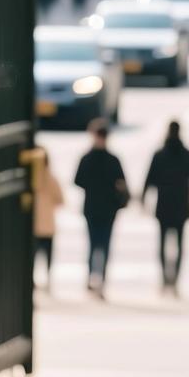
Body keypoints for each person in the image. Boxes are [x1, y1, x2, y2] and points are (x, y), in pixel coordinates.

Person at [74, 119, 128, 299]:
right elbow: (122, 182)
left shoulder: (87, 158)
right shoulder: (112, 160)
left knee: (95, 244)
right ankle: (98, 279)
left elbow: (78, 180)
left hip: (93, 206)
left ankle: (94, 279)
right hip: (108, 208)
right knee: (102, 244)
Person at [144, 121, 189, 294]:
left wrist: (143, 200)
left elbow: (149, 180)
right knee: (180, 243)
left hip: (164, 204)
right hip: (181, 205)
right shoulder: (187, 154)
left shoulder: (159, 154)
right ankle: (175, 279)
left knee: (162, 242)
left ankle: (164, 278)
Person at [32, 146, 64, 292]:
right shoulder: (51, 179)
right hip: (48, 225)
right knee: (48, 257)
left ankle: (32, 280)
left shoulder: (31, 179)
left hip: (34, 226)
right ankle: (48, 279)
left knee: (33, 257)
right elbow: (60, 200)